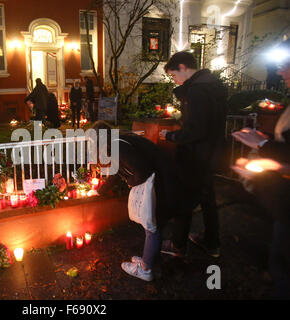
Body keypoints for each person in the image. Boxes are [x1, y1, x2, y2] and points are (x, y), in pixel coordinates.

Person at [95, 121, 192, 281]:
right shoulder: (119, 141)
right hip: (163, 176)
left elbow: (141, 171)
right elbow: (118, 170)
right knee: (155, 223)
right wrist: (101, 190)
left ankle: (145, 269)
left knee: (151, 225)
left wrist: (131, 184)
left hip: (160, 181)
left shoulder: (118, 147)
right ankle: (149, 258)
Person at [232, 39, 290, 299]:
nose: (280, 72)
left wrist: (264, 145)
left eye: (286, 66)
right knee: (278, 256)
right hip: (282, 205)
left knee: (282, 262)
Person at [159, 51, 228, 258]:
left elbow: (196, 130)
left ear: (182, 67)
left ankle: (178, 245)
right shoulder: (213, 85)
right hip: (212, 153)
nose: (175, 80)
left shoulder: (197, 91)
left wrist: (171, 136)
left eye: (173, 75)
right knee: (207, 199)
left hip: (195, 156)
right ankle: (212, 243)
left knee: (184, 199)